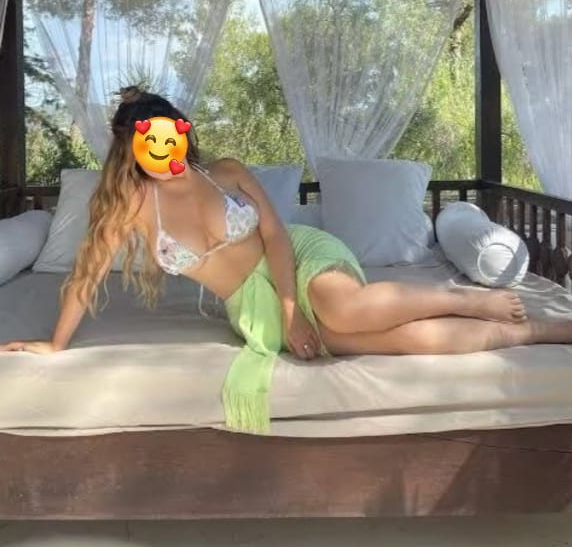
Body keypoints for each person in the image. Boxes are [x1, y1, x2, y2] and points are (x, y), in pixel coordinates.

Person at [3, 86, 572, 433]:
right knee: (377, 342)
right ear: (129, 146)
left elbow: (275, 236)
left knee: (342, 311)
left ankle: (462, 296)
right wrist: (55, 343)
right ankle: (534, 331)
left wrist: (293, 310)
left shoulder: (223, 172)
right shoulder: (129, 207)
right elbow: (85, 276)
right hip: (250, 307)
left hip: (298, 258)